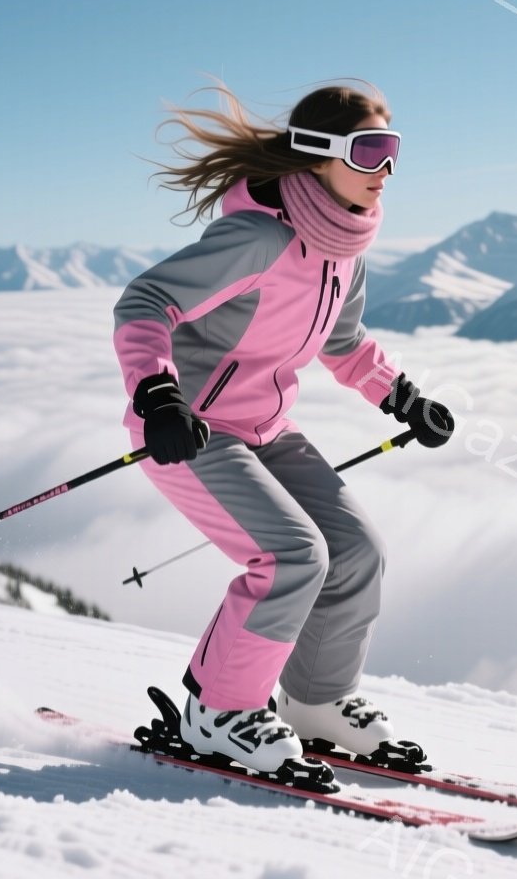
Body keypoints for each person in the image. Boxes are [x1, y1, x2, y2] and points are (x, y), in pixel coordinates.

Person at [113, 80, 454, 776]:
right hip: (192, 428)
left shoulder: (343, 249)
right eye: (371, 150)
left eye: (394, 151)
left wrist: (403, 397)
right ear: (319, 155)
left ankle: (316, 701)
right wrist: (157, 396)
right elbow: (145, 302)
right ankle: (218, 710)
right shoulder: (258, 238)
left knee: (357, 550)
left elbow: (344, 343)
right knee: (292, 557)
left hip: (266, 426)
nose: (386, 170)